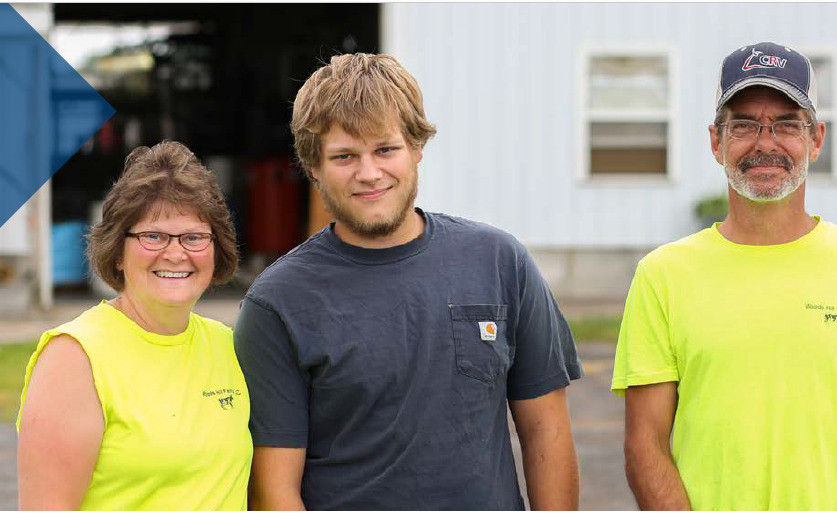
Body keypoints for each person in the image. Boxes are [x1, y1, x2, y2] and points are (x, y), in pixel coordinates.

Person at [233, 53, 582, 510]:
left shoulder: (499, 262)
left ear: (417, 148)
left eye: (385, 149)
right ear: (313, 166)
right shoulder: (277, 302)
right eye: (344, 156)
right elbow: (275, 490)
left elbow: (547, 434)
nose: (369, 173)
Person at [612, 42, 837, 510]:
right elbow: (645, 443)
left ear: (816, 139)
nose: (766, 143)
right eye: (743, 125)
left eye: (786, 124)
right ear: (716, 141)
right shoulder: (662, 275)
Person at [17, 141, 251, 510]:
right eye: (153, 236)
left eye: (193, 237)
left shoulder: (230, 347)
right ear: (118, 252)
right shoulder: (75, 358)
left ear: (216, 247)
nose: (175, 253)